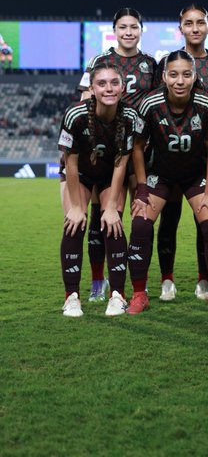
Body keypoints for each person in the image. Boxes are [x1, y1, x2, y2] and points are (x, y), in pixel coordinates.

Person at [127, 50, 208, 314]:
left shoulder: (206, 104)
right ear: (164, 77)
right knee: (140, 224)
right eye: (173, 75)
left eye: (185, 74)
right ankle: (139, 294)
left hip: (195, 174)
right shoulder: (150, 103)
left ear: (194, 76)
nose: (179, 81)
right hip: (160, 173)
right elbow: (137, 148)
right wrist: (141, 188)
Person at [77, 8, 157, 302]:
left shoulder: (150, 63)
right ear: (114, 30)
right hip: (107, 148)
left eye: (133, 27)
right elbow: (85, 97)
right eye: (122, 27)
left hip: (138, 148)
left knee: (140, 219)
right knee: (101, 217)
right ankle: (99, 280)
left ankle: (139, 281)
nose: (128, 32)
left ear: (140, 30)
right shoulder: (100, 61)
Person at [154, 4, 208, 302]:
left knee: (205, 219)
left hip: (205, 155)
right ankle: (167, 280)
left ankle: (204, 279)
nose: (195, 28)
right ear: (180, 28)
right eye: (189, 23)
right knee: (169, 218)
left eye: (200, 23)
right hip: (168, 155)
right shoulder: (167, 62)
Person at [58, 60, 139, 317]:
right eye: (101, 83)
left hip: (109, 174)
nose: (108, 88)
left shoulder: (129, 117)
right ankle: (71, 297)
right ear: (92, 88)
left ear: (122, 86)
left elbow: (121, 163)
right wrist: (77, 207)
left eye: (114, 82)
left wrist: (113, 206)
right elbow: (69, 163)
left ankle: (117, 295)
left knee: (112, 222)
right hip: (78, 174)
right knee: (75, 223)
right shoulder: (75, 114)